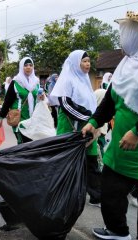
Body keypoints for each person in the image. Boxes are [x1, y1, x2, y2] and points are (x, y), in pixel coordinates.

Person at [82, 7, 138, 240]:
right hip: (121, 145)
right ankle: (117, 231)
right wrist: (94, 122)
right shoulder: (127, 62)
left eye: (130, 29)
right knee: (111, 190)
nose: (125, 34)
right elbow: (112, 98)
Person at [50, 50, 101, 207]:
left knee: (91, 160)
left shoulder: (85, 80)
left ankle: (96, 195)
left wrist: (93, 120)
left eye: (88, 61)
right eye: (84, 61)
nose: (87, 64)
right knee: (67, 162)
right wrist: (87, 117)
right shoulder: (67, 80)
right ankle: (58, 192)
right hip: (70, 128)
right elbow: (65, 105)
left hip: (87, 127)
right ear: (75, 63)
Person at [0, 57, 41, 144]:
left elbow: (39, 100)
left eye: (31, 65)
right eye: (26, 65)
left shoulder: (36, 82)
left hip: (33, 119)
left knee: (31, 145)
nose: (28, 67)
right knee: (24, 145)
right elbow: (7, 101)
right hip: (19, 118)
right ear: (21, 67)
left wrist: (42, 98)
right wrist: (0, 118)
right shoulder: (16, 82)